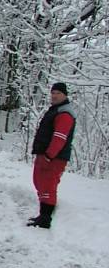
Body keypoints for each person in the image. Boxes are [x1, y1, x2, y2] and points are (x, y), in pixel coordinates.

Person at [27, 82, 76, 229]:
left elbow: (59, 137)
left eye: (58, 93)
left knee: (48, 186)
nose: (54, 96)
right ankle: (42, 215)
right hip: (44, 155)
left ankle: (45, 219)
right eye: (53, 93)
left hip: (54, 158)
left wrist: (49, 155)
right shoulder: (55, 110)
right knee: (39, 183)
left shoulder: (65, 113)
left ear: (65, 95)